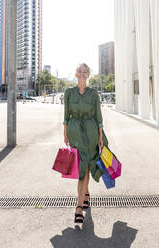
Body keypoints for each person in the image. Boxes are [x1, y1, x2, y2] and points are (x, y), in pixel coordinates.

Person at [63, 63, 108, 224]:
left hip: (91, 133)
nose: (82, 74)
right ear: (75, 74)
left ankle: (79, 207)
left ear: (88, 74)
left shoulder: (93, 94)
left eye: (85, 71)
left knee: (86, 168)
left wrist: (101, 136)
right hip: (75, 135)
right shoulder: (68, 93)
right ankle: (86, 195)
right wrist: (65, 133)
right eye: (79, 71)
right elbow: (66, 115)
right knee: (82, 168)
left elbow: (99, 117)